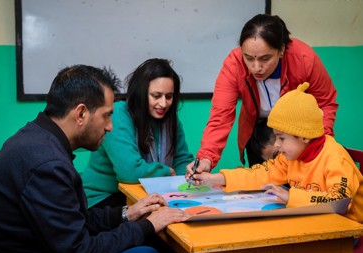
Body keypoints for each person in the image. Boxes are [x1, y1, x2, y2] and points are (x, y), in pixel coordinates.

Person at [0, 64, 189, 253]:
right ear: (81, 114)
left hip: (43, 251)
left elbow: (75, 219)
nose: (110, 126)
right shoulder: (47, 164)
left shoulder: (37, 139)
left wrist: (127, 213)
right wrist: (147, 226)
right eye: (106, 115)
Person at [187, 82, 363, 225]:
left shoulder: (335, 158)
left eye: (281, 138)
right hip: (316, 221)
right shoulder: (292, 157)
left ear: (304, 136)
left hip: (347, 228)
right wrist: (214, 179)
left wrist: (291, 196)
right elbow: (260, 174)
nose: (277, 146)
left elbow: (340, 202)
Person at [186, 14, 338, 174]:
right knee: (260, 185)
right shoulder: (234, 64)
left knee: (299, 188)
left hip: (297, 135)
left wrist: (319, 147)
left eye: (265, 58)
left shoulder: (304, 59)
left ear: (281, 50)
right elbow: (220, 117)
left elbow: (325, 103)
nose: (256, 67)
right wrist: (206, 157)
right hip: (259, 135)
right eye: (248, 58)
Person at [82, 58, 193, 209]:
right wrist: (167, 172)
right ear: (141, 93)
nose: (163, 104)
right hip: (104, 199)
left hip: (146, 195)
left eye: (169, 96)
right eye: (156, 96)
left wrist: (188, 178)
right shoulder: (118, 115)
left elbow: (181, 159)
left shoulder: (170, 118)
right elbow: (129, 172)